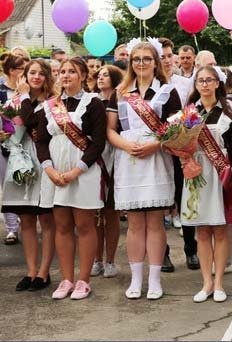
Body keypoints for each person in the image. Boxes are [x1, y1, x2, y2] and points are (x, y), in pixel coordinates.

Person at [107, 39, 180, 300]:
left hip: (156, 159)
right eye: (136, 59)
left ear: (155, 62)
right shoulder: (120, 91)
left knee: (155, 222)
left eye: (146, 59)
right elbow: (110, 130)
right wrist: (126, 145)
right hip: (128, 159)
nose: (141, 63)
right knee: (135, 223)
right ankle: (136, 279)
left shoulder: (168, 92)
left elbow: (176, 130)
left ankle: (155, 280)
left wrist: (154, 145)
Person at [35, 57, 107, 300]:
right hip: (55, 173)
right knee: (62, 226)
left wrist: (77, 170)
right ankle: (66, 279)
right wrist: (50, 170)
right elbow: (41, 141)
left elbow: (98, 143)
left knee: (84, 225)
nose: (65, 75)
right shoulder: (50, 106)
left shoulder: (93, 103)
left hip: (83, 172)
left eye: (72, 71)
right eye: (63, 71)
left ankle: (83, 280)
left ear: (83, 75)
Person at [183, 65, 232, 303]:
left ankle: (219, 282)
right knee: (202, 231)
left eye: (209, 80)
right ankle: (206, 283)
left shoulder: (231, 113)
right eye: (201, 80)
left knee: (220, 229)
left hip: (221, 173)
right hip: (197, 173)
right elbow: (181, 144)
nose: (205, 84)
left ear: (218, 83)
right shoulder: (189, 112)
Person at [0, 59, 57, 292]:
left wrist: (23, 95)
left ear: (47, 77)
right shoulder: (13, 102)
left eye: (41, 73)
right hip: (21, 162)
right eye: (32, 72)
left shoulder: (53, 101)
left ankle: (44, 272)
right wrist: (1, 135)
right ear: (24, 75)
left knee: (47, 219)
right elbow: (8, 130)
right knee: (27, 220)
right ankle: (31, 270)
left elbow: (33, 121)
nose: (36, 77)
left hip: (45, 160)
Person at [158, 38, 194, 271]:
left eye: (170, 55)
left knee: (185, 198)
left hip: (180, 149)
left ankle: (191, 249)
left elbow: (192, 114)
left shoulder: (185, 83)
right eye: (162, 56)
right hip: (156, 151)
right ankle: (163, 253)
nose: (167, 60)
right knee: (160, 202)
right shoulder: (150, 85)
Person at [0, 53, 29, 246]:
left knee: (26, 185)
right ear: (13, 71)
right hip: (3, 145)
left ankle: (27, 222)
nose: (27, 72)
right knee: (6, 186)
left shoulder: (30, 90)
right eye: (23, 68)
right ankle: (11, 228)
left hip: (25, 145)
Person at [91, 64, 123, 280]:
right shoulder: (91, 101)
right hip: (94, 159)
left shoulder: (122, 100)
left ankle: (110, 260)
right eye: (99, 75)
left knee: (111, 213)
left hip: (115, 158)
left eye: (106, 75)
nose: (101, 78)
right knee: (94, 214)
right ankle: (96, 259)